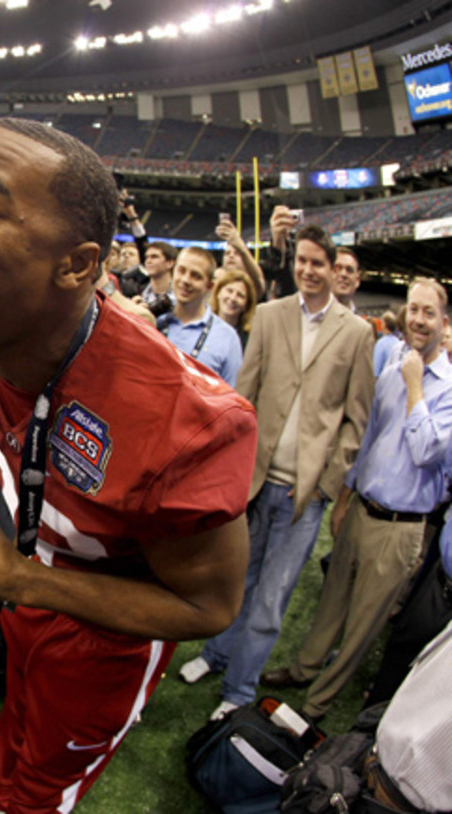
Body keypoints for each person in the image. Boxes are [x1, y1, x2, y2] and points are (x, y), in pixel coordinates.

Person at [0, 117, 257, 814]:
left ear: (75, 263)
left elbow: (209, 606)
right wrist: (20, 576)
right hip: (32, 593)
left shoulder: (182, 423)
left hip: (108, 637)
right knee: (16, 724)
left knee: (45, 788)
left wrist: (24, 580)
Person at [180, 223, 375, 720]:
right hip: (254, 480)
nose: (308, 270)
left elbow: (356, 419)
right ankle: (216, 655)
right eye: (302, 261)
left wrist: (327, 485)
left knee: (271, 600)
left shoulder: (355, 333)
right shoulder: (268, 315)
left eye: (318, 263)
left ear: (333, 269)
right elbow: (242, 399)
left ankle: (240, 691)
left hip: (303, 496)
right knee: (236, 580)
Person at [260, 278, 452, 720]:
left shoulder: (439, 384)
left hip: (401, 526)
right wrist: (345, 495)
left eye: (428, 312)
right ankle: (305, 667)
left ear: (444, 323)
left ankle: (317, 703)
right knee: (332, 601)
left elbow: (426, 451)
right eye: (414, 309)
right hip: (363, 508)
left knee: (363, 623)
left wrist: (417, 387)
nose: (418, 319)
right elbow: (367, 439)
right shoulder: (394, 366)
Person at [157, 246, 243, 387]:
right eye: (181, 271)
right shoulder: (155, 323)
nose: (185, 280)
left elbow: (231, 399)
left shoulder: (227, 337)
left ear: (209, 286)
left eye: (195, 276)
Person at [210, 268, 258, 349]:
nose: (233, 298)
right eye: (229, 291)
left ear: (246, 305)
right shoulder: (200, 326)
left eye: (240, 295)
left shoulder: (250, 342)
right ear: (218, 293)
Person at [333, 247, 361, 313]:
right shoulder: (307, 319)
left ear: (357, 281)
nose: (343, 274)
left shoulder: (364, 322)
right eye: (337, 269)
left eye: (349, 270)